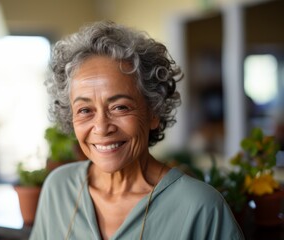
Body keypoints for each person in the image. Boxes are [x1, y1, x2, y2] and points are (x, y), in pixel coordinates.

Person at [30, 20, 244, 240]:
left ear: (154, 111)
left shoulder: (200, 207)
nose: (102, 127)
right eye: (85, 110)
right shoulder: (58, 189)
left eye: (120, 107)